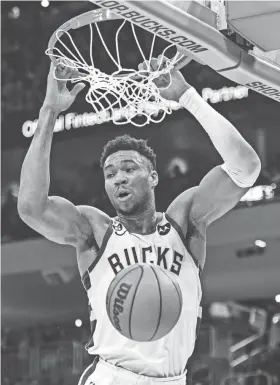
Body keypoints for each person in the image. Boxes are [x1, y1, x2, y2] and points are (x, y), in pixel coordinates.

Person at [18, 59, 261, 385]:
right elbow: (32, 207)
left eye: (130, 168)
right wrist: (49, 110)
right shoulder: (96, 230)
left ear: (153, 176)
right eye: (110, 173)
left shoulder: (184, 221)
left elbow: (246, 167)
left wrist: (186, 95)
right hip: (112, 377)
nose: (119, 178)